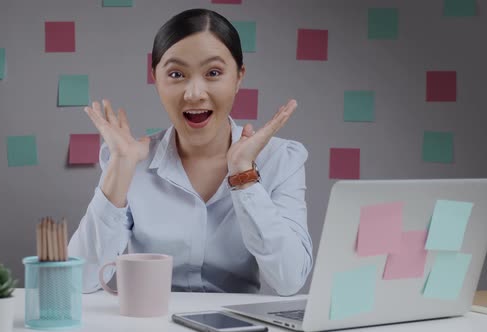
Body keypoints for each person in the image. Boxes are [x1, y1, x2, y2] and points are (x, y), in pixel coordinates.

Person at [68, 8, 313, 296]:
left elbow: (290, 281)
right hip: (149, 321)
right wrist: (121, 167)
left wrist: (244, 176)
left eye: (213, 73)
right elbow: (78, 280)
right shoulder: (130, 159)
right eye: (176, 74)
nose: (194, 93)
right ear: (156, 79)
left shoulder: (280, 159)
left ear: (238, 77)